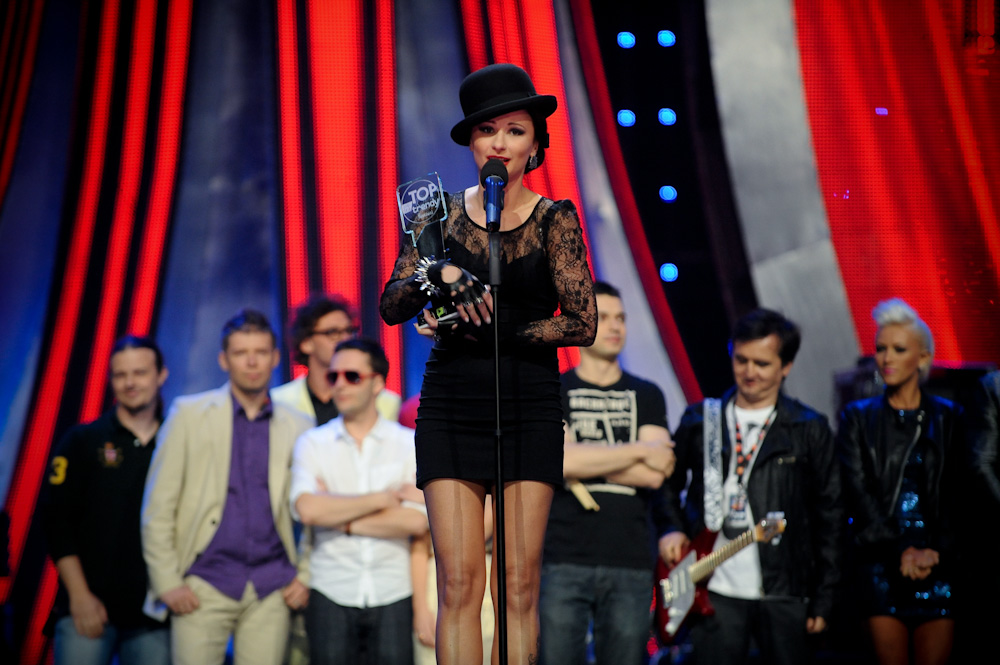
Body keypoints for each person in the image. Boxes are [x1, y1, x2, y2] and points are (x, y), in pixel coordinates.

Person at [379, 63, 597, 664]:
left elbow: (581, 321)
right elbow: (392, 305)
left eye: (514, 131)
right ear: (472, 143)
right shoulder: (437, 214)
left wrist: (503, 330)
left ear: (535, 145)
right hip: (451, 404)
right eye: (487, 131)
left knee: (518, 586)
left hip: (528, 404)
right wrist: (439, 271)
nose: (500, 143)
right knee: (458, 583)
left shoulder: (556, 219)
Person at [660, 308, 842, 665]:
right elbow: (666, 484)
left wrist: (825, 597)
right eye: (741, 360)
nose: (749, 372)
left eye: (762, 363)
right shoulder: (702, 419)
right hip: (712, 585)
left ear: (785, 366)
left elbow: (831, 515)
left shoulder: (809, 428)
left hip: (785, 587)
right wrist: (671, 529)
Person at [141, 309, 313, 665]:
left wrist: (306, 574)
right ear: (224, 359)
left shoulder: (298, 424)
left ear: (275, 357)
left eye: (261, 352)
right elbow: (158, 506)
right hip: (204, 580)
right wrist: (167, 582)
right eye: (240, 353)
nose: (251, 362)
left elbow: (312, 506)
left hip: (272, 584)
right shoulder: (189, 415)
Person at [539, 281, 674, 664]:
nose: (615, 326)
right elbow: (559, 462)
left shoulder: (647, 393)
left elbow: (655, 473)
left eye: (621, 318)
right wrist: (639, 450)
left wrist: (582, 460)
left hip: (629, 558)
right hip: (563, 557)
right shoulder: (554, 389)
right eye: (605, 317)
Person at [836, 299, 961, 665]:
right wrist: (900, 550)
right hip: (881, 558)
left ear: (923, 357)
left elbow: (958, 495)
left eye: (898, 349)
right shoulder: (857, 418)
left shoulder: (949, 417)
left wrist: (934, 551)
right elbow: (857, 492)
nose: (886, 358)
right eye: (881, 349)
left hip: (937, 560)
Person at [289, 338, 427, 665]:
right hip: (330, 590)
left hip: (393, 590)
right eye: (332, 376)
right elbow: (307, 509)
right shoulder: (313, 443)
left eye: (352, 376)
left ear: (377, 383)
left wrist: (339, 516)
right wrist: (383, 499)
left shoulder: (407, 443)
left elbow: (417, 520)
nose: (339, 384)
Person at [41, 335, 170, 665]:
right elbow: (56, 524)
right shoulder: (82, 440)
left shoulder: (178, 442)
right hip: (87, 607)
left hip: (155, 613)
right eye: (120, 374)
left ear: (161, 375)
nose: (130, 383)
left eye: (140, 372)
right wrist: (79, 596)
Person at [273, 293, 401, 426]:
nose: (345, 339)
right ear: (306, 343)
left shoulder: (386, 403)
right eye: (332, 332)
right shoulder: (280, 402)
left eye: (349, 331)